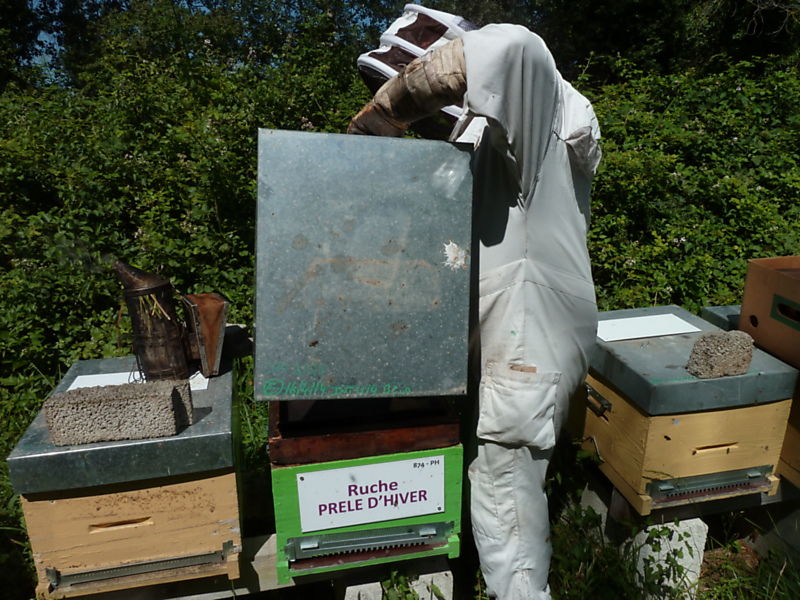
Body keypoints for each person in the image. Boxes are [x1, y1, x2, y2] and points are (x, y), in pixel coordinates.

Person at [349, 19, 601, 600]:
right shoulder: (508, 144)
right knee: (500, 489)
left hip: (525, 353)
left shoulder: (540, 109)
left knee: (505, 501)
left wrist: (389, 109)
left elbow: (511, 48)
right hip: (514, 343)